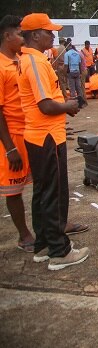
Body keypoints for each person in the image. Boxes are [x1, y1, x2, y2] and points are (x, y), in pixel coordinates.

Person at [17, 13, 89, 270]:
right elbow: (45, 105)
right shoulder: (34, 62)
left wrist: (64, 107)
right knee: (53, 194)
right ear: (35, 35)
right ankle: (60, 251)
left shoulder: (33, 59)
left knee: (43, 193)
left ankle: (45, 245)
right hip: (45, 136)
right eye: (48, 32)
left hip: (42, 136)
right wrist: (67, 105)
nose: (53, 35)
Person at [0, 15, 35, 252]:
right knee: (14, 189)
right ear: (7, 36)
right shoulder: (1, 66)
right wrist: (10, 147)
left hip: (31, 131)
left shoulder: (22, 60)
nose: (23, 38)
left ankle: (52, 225)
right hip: (12, 137)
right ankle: (24, 235)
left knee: (40, 183)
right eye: (20, 34)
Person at [63, 41, 87, 108]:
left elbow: (66, 65)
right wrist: (80, 73)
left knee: (72, 89)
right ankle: (81, 104)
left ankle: (74, 105)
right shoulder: (77, 53)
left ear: (67, 47)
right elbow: (79, 64)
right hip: (77, 71)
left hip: (71, 72)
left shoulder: (67, 54)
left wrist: (65, 74)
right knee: (78, 88)